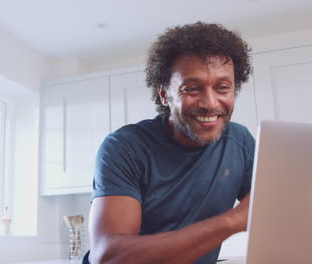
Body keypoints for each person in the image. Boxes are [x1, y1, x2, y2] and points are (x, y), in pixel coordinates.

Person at [85, 21, 255, 264]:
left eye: (223, 87)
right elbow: (108, 256)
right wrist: (232, 221)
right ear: (165, 94)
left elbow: (274, 213)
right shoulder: (124, 147)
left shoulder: (241, 142)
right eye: (193, 89)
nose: (210, 103)